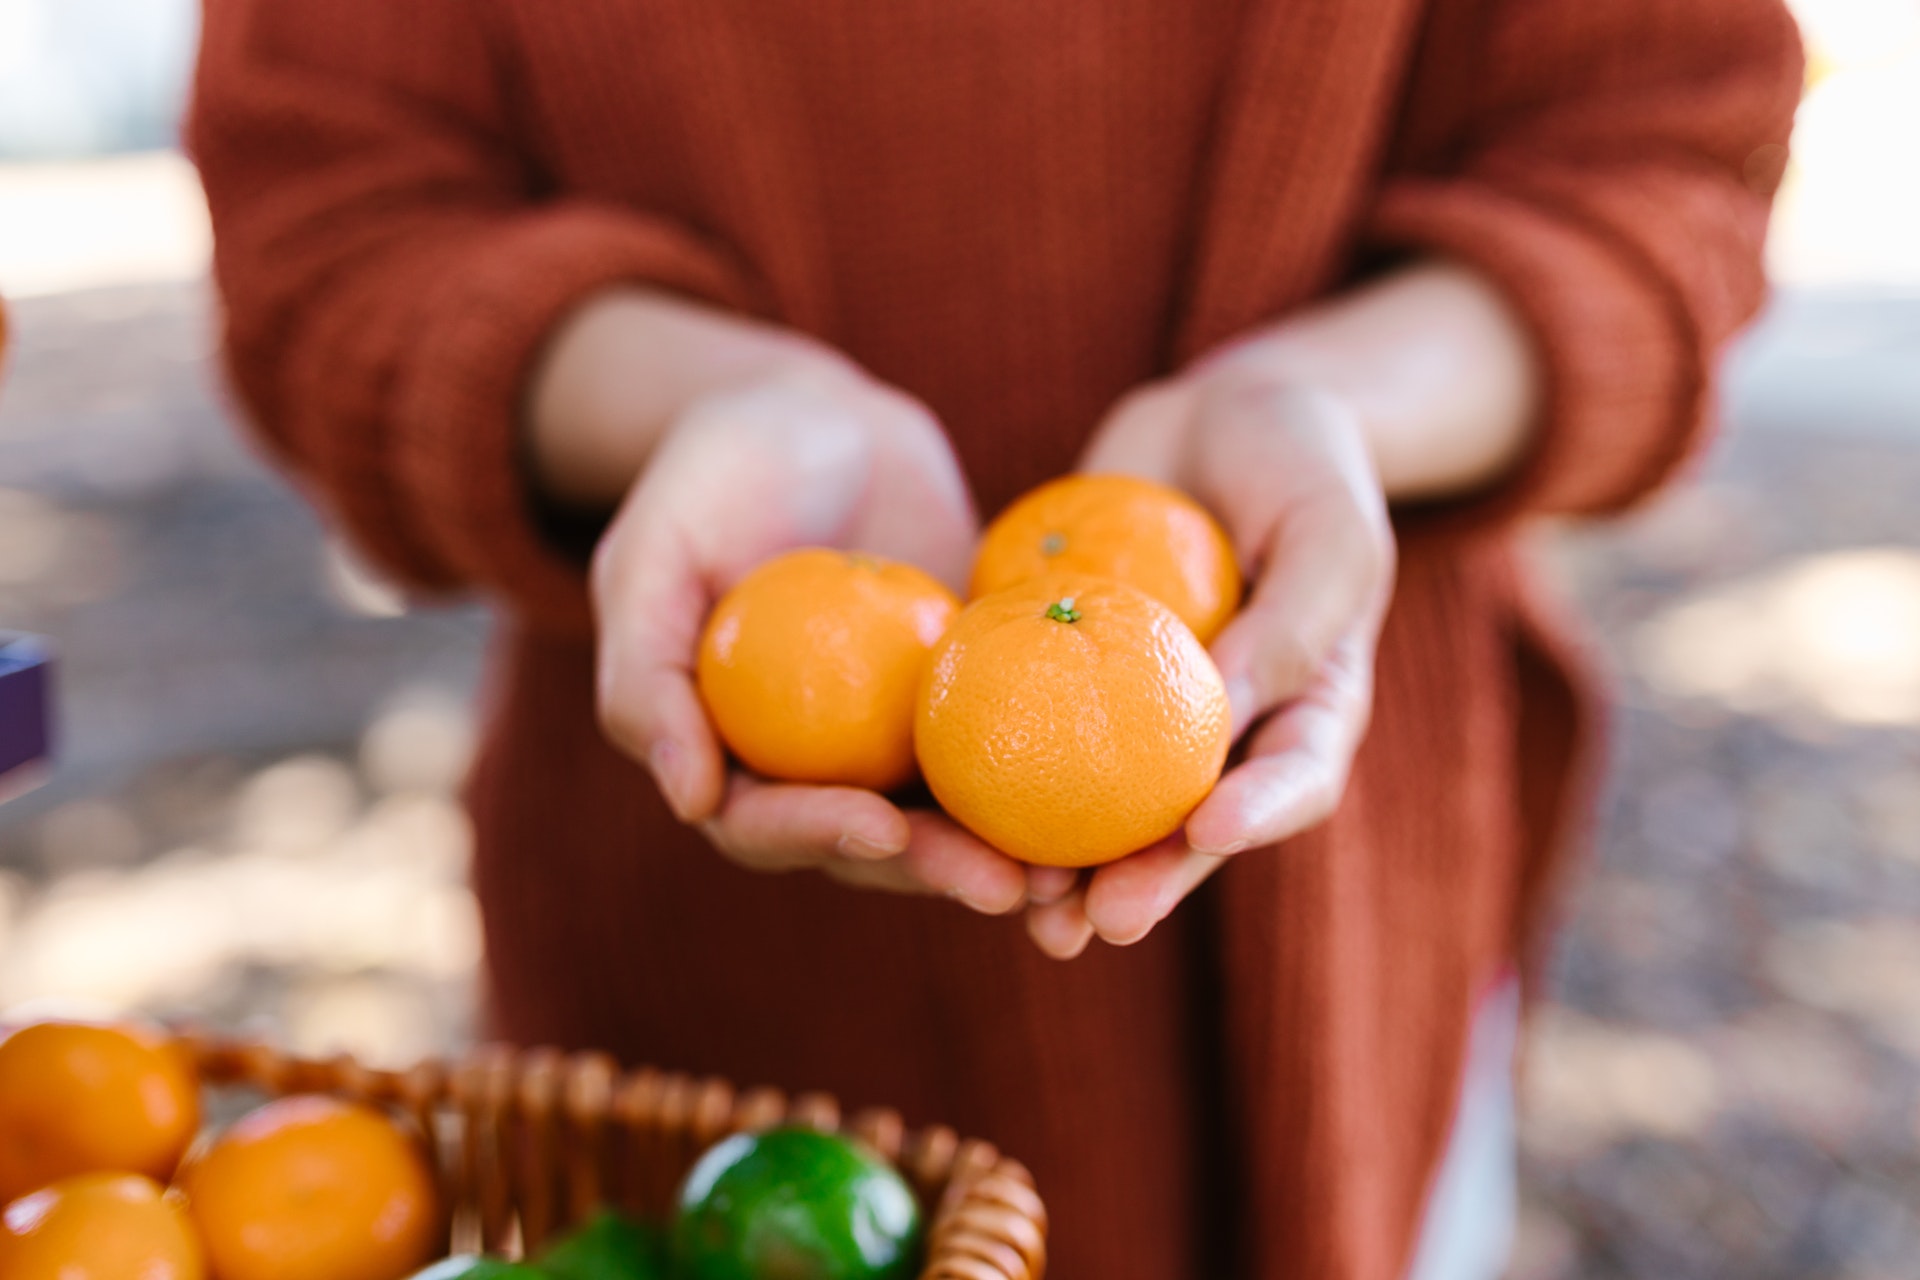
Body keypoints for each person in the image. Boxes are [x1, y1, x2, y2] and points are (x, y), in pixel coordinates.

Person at [187, 2, 1802, 1275]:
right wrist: (700, 404)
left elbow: (1662, 152)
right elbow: (330, 217)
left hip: (1359, 931)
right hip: (693, 945)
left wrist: (1323, 411)